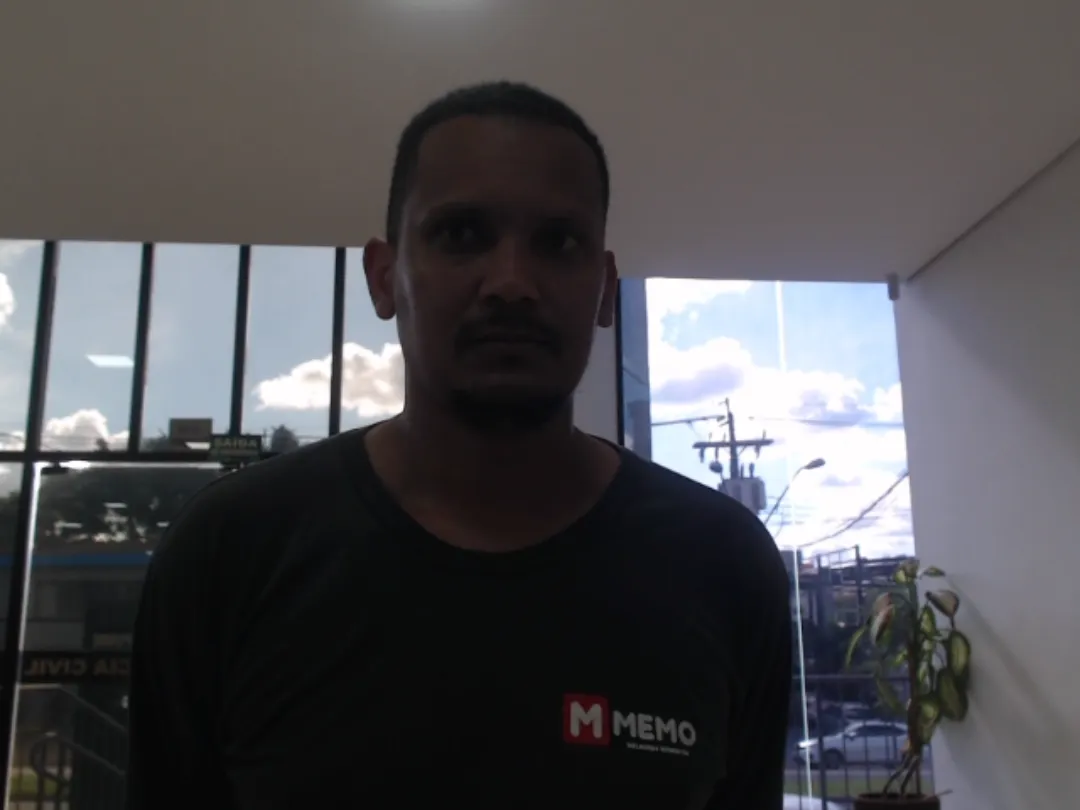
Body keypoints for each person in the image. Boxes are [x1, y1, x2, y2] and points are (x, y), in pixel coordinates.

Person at [125, 81, 792, 810]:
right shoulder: (233, 550)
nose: (511, 283)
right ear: (385, 278)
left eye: (558, 242)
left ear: (605, 290)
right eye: (463, 234)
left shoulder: (724, 565)